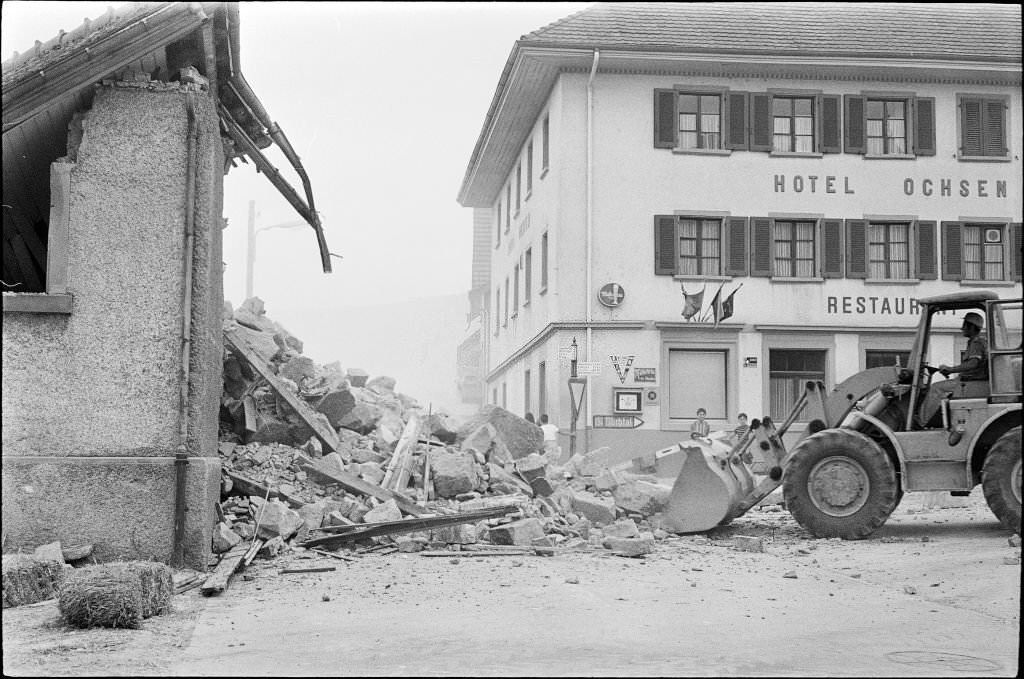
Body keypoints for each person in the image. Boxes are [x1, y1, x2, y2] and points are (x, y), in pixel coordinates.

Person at [919, 311, 989, 427]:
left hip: (971, 384)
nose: (962, 328)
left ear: (971, 327)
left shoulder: (976, 343)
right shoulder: (975, 342)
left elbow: (972, 364)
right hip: (969, 381)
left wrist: (951, 370)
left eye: (964, 325)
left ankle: (920, 423)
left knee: (936, 388)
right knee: (941, 386)